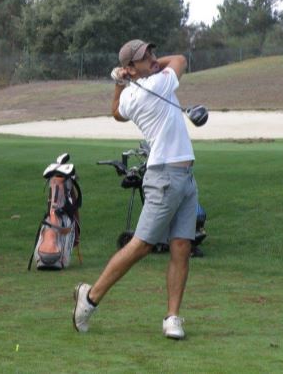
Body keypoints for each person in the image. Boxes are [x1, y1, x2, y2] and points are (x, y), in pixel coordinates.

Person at [72, 40, 198, 340]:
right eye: (146, 57)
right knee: (141, 245)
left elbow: (116, 111)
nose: (154, 59)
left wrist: (120, 80)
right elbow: (180, 58)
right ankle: (90, 298)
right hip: (165, 176)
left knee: (182, 247)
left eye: (153, 53)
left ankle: (172, 317)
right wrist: (141, 72)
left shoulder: (132, 93)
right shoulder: (158, 83)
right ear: (132, 67)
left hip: (185, 177)